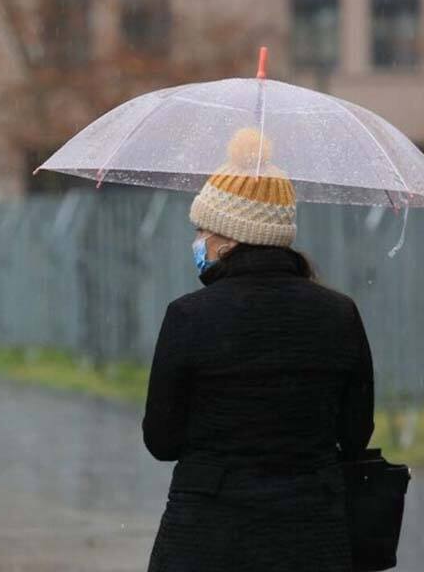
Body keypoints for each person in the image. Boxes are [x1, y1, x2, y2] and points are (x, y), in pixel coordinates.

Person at [142, 128, 375, 572]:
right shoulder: (339, 314)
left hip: (206, 536)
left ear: (230, 238)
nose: (198, 241)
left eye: (203, 230)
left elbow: (162, 440)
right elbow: (355, 431)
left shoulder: (189, 316)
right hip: (311, 536)